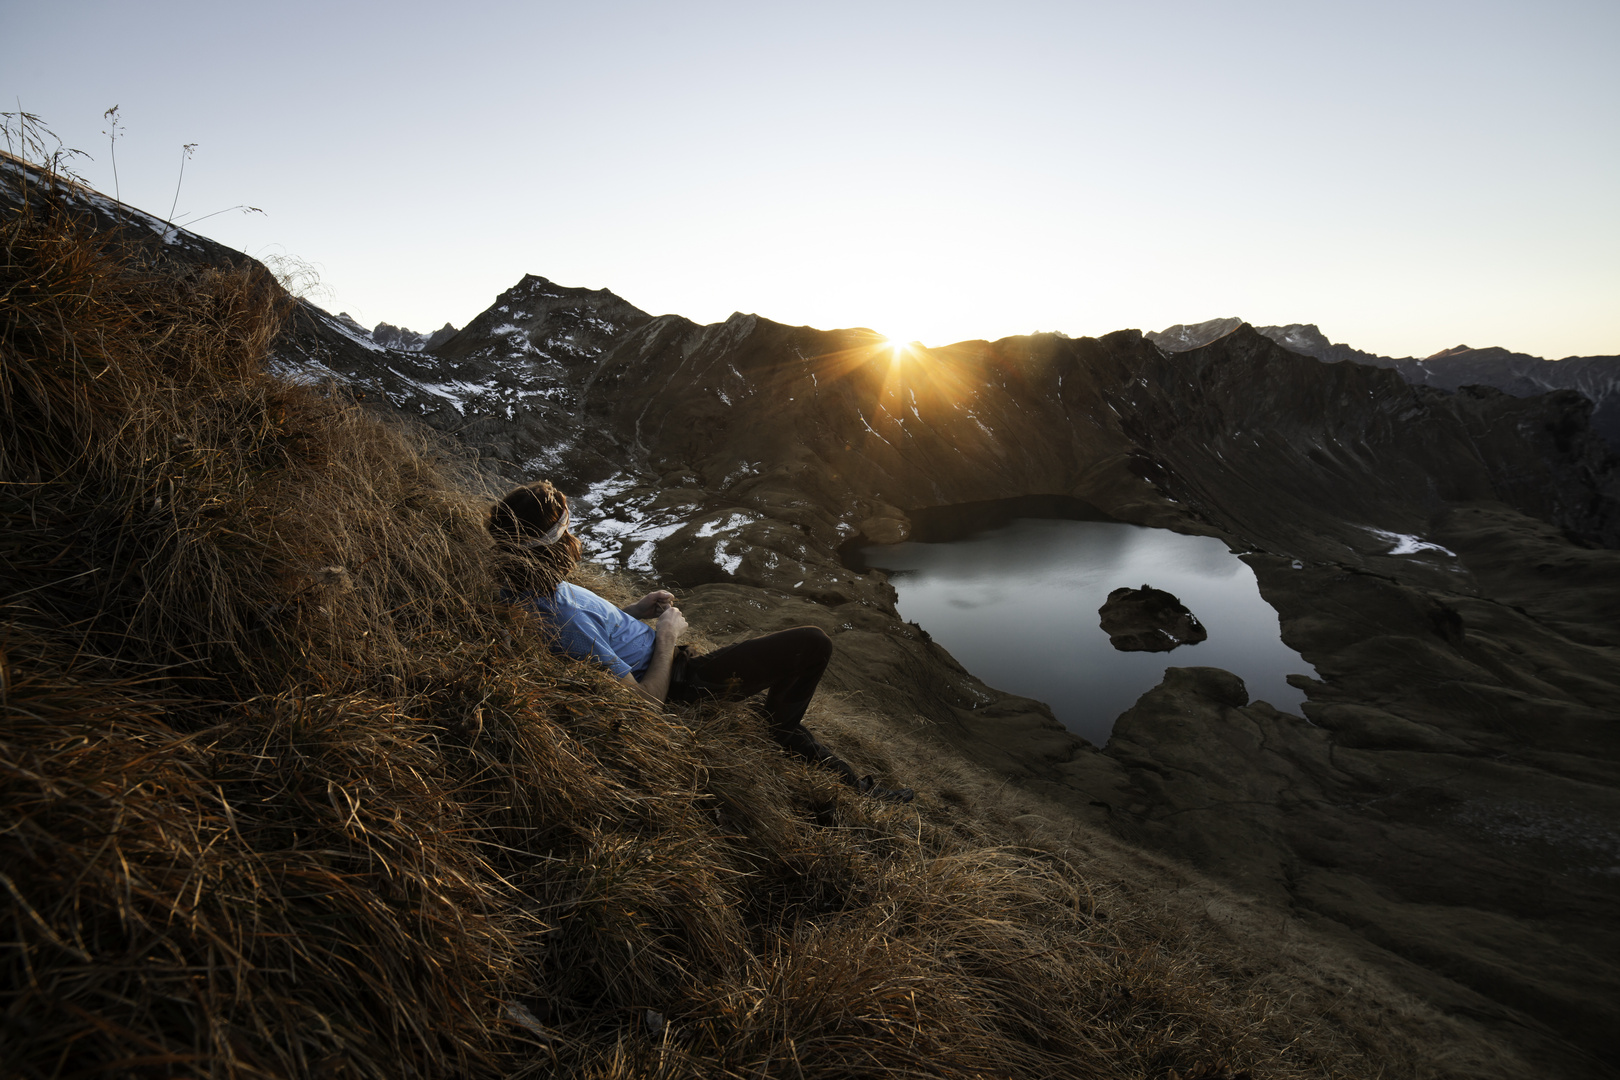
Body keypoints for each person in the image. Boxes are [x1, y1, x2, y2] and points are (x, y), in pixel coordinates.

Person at [489, 479, 914, 803]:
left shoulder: (526, 588)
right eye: (566, 532)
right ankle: (785, 733)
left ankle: (844, 776)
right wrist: (667, 637)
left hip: (672, 664)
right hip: (681, 683)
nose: (574, 540)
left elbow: (595, 634)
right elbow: (644, 705)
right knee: (813, 643)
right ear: (550, 546)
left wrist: (635, 610)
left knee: (780, 669)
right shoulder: (562, 613)